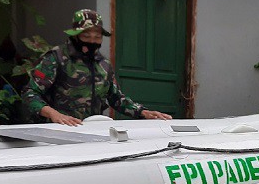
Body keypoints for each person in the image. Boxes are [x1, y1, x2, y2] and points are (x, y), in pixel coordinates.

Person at [23, 9, 172, 126]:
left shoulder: (103, 64)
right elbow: (30, 93)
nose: (92, 41)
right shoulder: (56, 58)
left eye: (97, 37)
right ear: (76, 35)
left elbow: (116, 98)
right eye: (87, 37)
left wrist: (143, 112)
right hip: (59, 130)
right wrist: (54, 114)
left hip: (93, 130)